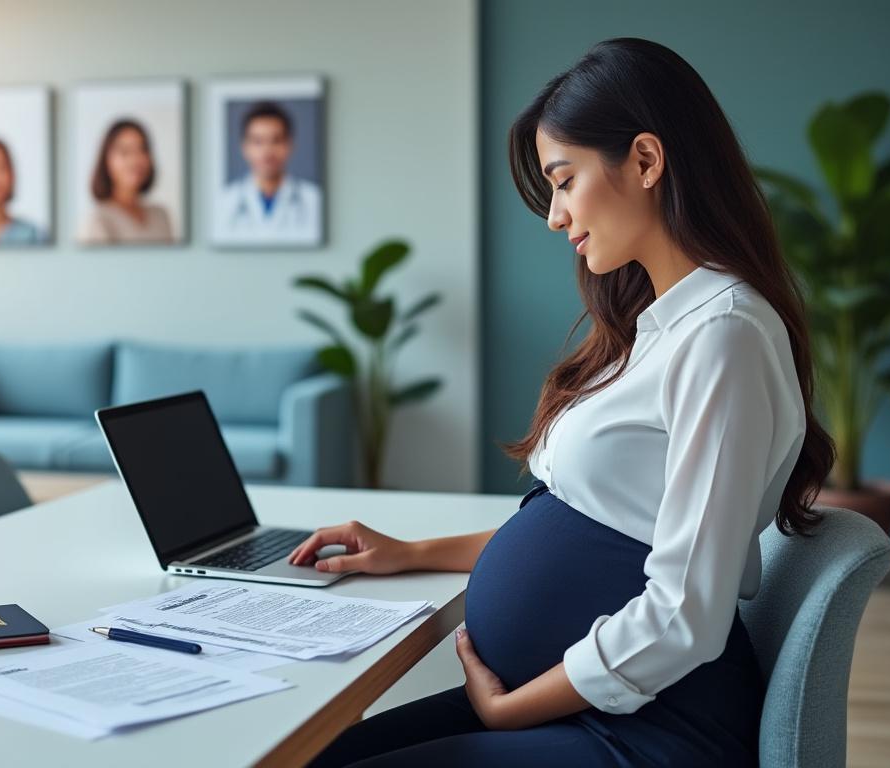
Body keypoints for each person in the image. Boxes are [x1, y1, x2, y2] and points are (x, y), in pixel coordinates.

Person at [296, 37, 835, 767]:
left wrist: (510, 709)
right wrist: (410, 554)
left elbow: (686, 615)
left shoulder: (723, 335)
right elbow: (600, 523)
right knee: (315, 755)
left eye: (563, 179)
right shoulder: (656, 327)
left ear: (645, 162)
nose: (554, 215)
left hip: (648, 727)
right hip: (581, 701)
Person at [215, 100, 322, 245]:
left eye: (276, 140)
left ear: (290, 145)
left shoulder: (313, 199)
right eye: (258, 141)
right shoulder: (224, 201)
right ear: (244, 147)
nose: (267, 151)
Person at [78, 118, 174, 245]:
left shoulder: (161, 215)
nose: (136, 160)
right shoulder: (98, 220)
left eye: (142, 150)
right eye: (125, 152)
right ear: (106, 160)